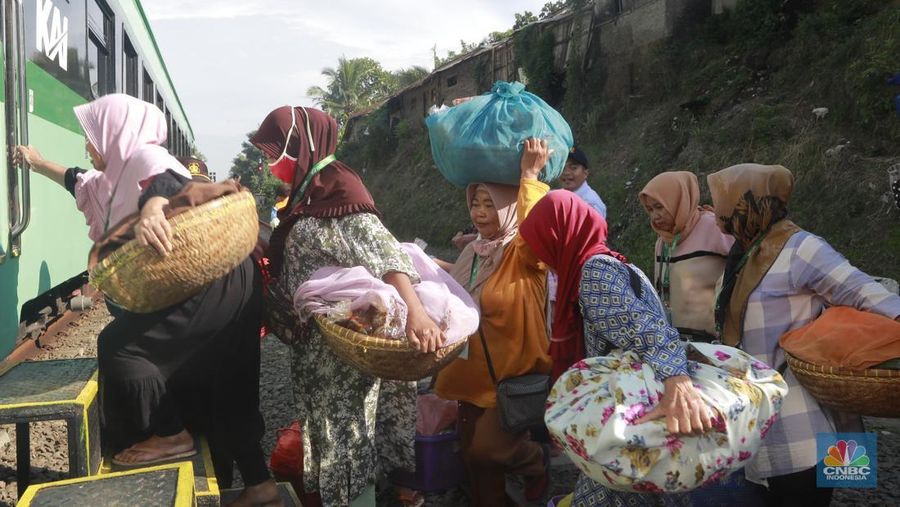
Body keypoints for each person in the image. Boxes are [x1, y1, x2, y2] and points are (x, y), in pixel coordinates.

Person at [17, 94, 279, 506]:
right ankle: (260, 485)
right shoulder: (112, 179)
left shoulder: (142, 157)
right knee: (228, 376)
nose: (88, 146)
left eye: (92, 137)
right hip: (230, 280)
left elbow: (167, 185)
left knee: (119, 347)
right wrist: (35, 160)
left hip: (210, 280)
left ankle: (172, 435)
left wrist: (154, 207)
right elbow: (76, 179)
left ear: (115, 133)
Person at [250, 106, 443, 507]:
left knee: (347, 444)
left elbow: (386, 252)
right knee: (331, 439)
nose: (270, 163)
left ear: (299, 145)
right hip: (319, 350)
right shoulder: (311, 193)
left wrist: (417, 313)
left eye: (275, 152)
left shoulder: (342, 190)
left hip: (343, 356)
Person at [707, 163, 900, 506]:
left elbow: (866, 293)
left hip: (804, 424)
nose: (720, 216)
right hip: (755, 421)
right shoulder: (743, 253)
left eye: (728, 206)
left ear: (755, 204)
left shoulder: (800, 248)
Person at [518, 191, 713, 507]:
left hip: (631, 422)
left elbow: (649, 332)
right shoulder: (610, 263)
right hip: (631, 421)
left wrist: (678, 381)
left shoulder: (595, 273)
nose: (541, 257)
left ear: (560, 235)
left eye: (542, 242)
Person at [433, 139, 553, 506]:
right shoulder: (475, 249)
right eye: (475, 203)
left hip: (509, 376)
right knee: (474, 460)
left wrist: (529, 175)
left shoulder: (523, 253)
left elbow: (538, 234)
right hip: (471, 373)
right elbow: (463, 287)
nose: (480, 212)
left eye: (490, 204)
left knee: (486, 452)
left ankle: (535, 459)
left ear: (510, 207)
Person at [638, 171, 734, 341]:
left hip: (714, 343)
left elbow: (742, 271)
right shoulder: (662, 242)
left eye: (659, 207)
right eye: (650, 210)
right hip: (675, 343)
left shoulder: (714, 228)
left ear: (677, 201)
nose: (654, 216)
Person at [559, 147, 606, 218]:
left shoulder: (590, 203)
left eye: (573, 168)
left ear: (585, 173)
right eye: (562, 168)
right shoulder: (557, 197)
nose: (566, 172)